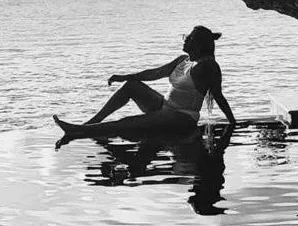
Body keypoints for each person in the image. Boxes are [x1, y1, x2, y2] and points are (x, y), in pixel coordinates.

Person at [53, 25, 236, 140]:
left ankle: (79, 131)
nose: (185, 40)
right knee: (131, 85)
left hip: (183, 117)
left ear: (199, 44)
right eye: (185, 37)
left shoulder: (208, 66)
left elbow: (218, 95)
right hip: (165, 106)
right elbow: (155, 73)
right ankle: (90, 123)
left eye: (189, 38)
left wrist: (232, 123)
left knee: (128, 122)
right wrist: (124, 77)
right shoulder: (183, 60)